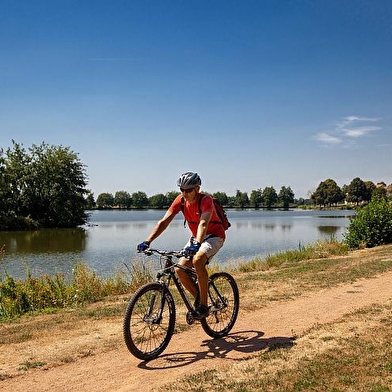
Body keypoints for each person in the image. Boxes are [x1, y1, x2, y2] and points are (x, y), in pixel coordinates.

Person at [137, 172, 226, 319]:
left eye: (188, 190)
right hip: (195, 238)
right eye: (182, 190)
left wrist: (197, 244)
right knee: (179, 269)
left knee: (198, 260)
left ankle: (203, 306)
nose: (184, 193)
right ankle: (200, 297)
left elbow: (203, 224)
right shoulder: (181, 201)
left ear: (197, 188)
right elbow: (164, 222)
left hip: (214, 236)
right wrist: (147, 241)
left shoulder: (206, 200)